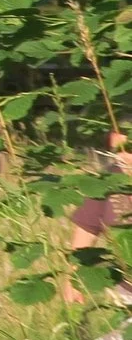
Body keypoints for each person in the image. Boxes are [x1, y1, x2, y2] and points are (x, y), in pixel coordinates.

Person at [63, 131, 132, 306]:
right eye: (117, 150)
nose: (124, 157)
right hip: (126, 292)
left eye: (130, 148)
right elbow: (87, 228)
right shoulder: (105, 182)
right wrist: (74, 278)